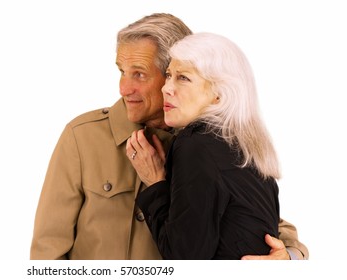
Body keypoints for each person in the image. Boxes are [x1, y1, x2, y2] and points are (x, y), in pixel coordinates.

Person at [30, 13, 308, 260]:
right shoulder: (83, 137)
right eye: (121, 72)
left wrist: (289, 259)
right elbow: (47, 249)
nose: (123, 88)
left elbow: (264, 223)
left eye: (139, 74)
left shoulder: (208, 144)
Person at [127, 32, 286, 259]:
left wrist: (154, 183)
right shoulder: (246, 145)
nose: (166, 88)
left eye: (183, 78)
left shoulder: (196, 145)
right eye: (169, 75)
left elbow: (185, 259)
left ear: (219, 95)